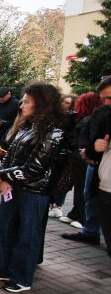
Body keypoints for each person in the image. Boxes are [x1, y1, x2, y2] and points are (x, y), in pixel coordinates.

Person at [0, 82, 65, 292]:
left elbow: (35, 168)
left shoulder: (53, 133)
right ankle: (6, 268)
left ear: (41, 105)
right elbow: (9, 155)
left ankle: (21, 277)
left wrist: (3, 176)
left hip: (35, 191)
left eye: (28, 102)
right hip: (13, 188)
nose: (22, 106)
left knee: (27, 235)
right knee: (3, 228)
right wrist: (3, 178)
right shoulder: (27, 127)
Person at [62, 84, 111, 244]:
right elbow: (91, 138)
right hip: (99, 168)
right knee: (89, 195)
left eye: (109, 98)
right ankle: (90, 231)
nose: (106, 102)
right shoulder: (102, 113)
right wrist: (90, 150)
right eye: (103, 99)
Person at [82, 77, 111, 294]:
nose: (108, 103)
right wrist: (95, 147)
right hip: (105, 188)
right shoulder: (105, 115)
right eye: (105, 100)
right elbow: (90, 151)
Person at [59, 92, 103, 228]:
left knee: (84, 188)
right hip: (78, 157)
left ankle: (82, 216)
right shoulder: (84, 119)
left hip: (83, 158)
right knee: (79, 187)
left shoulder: (89, 120)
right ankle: (76, 213)